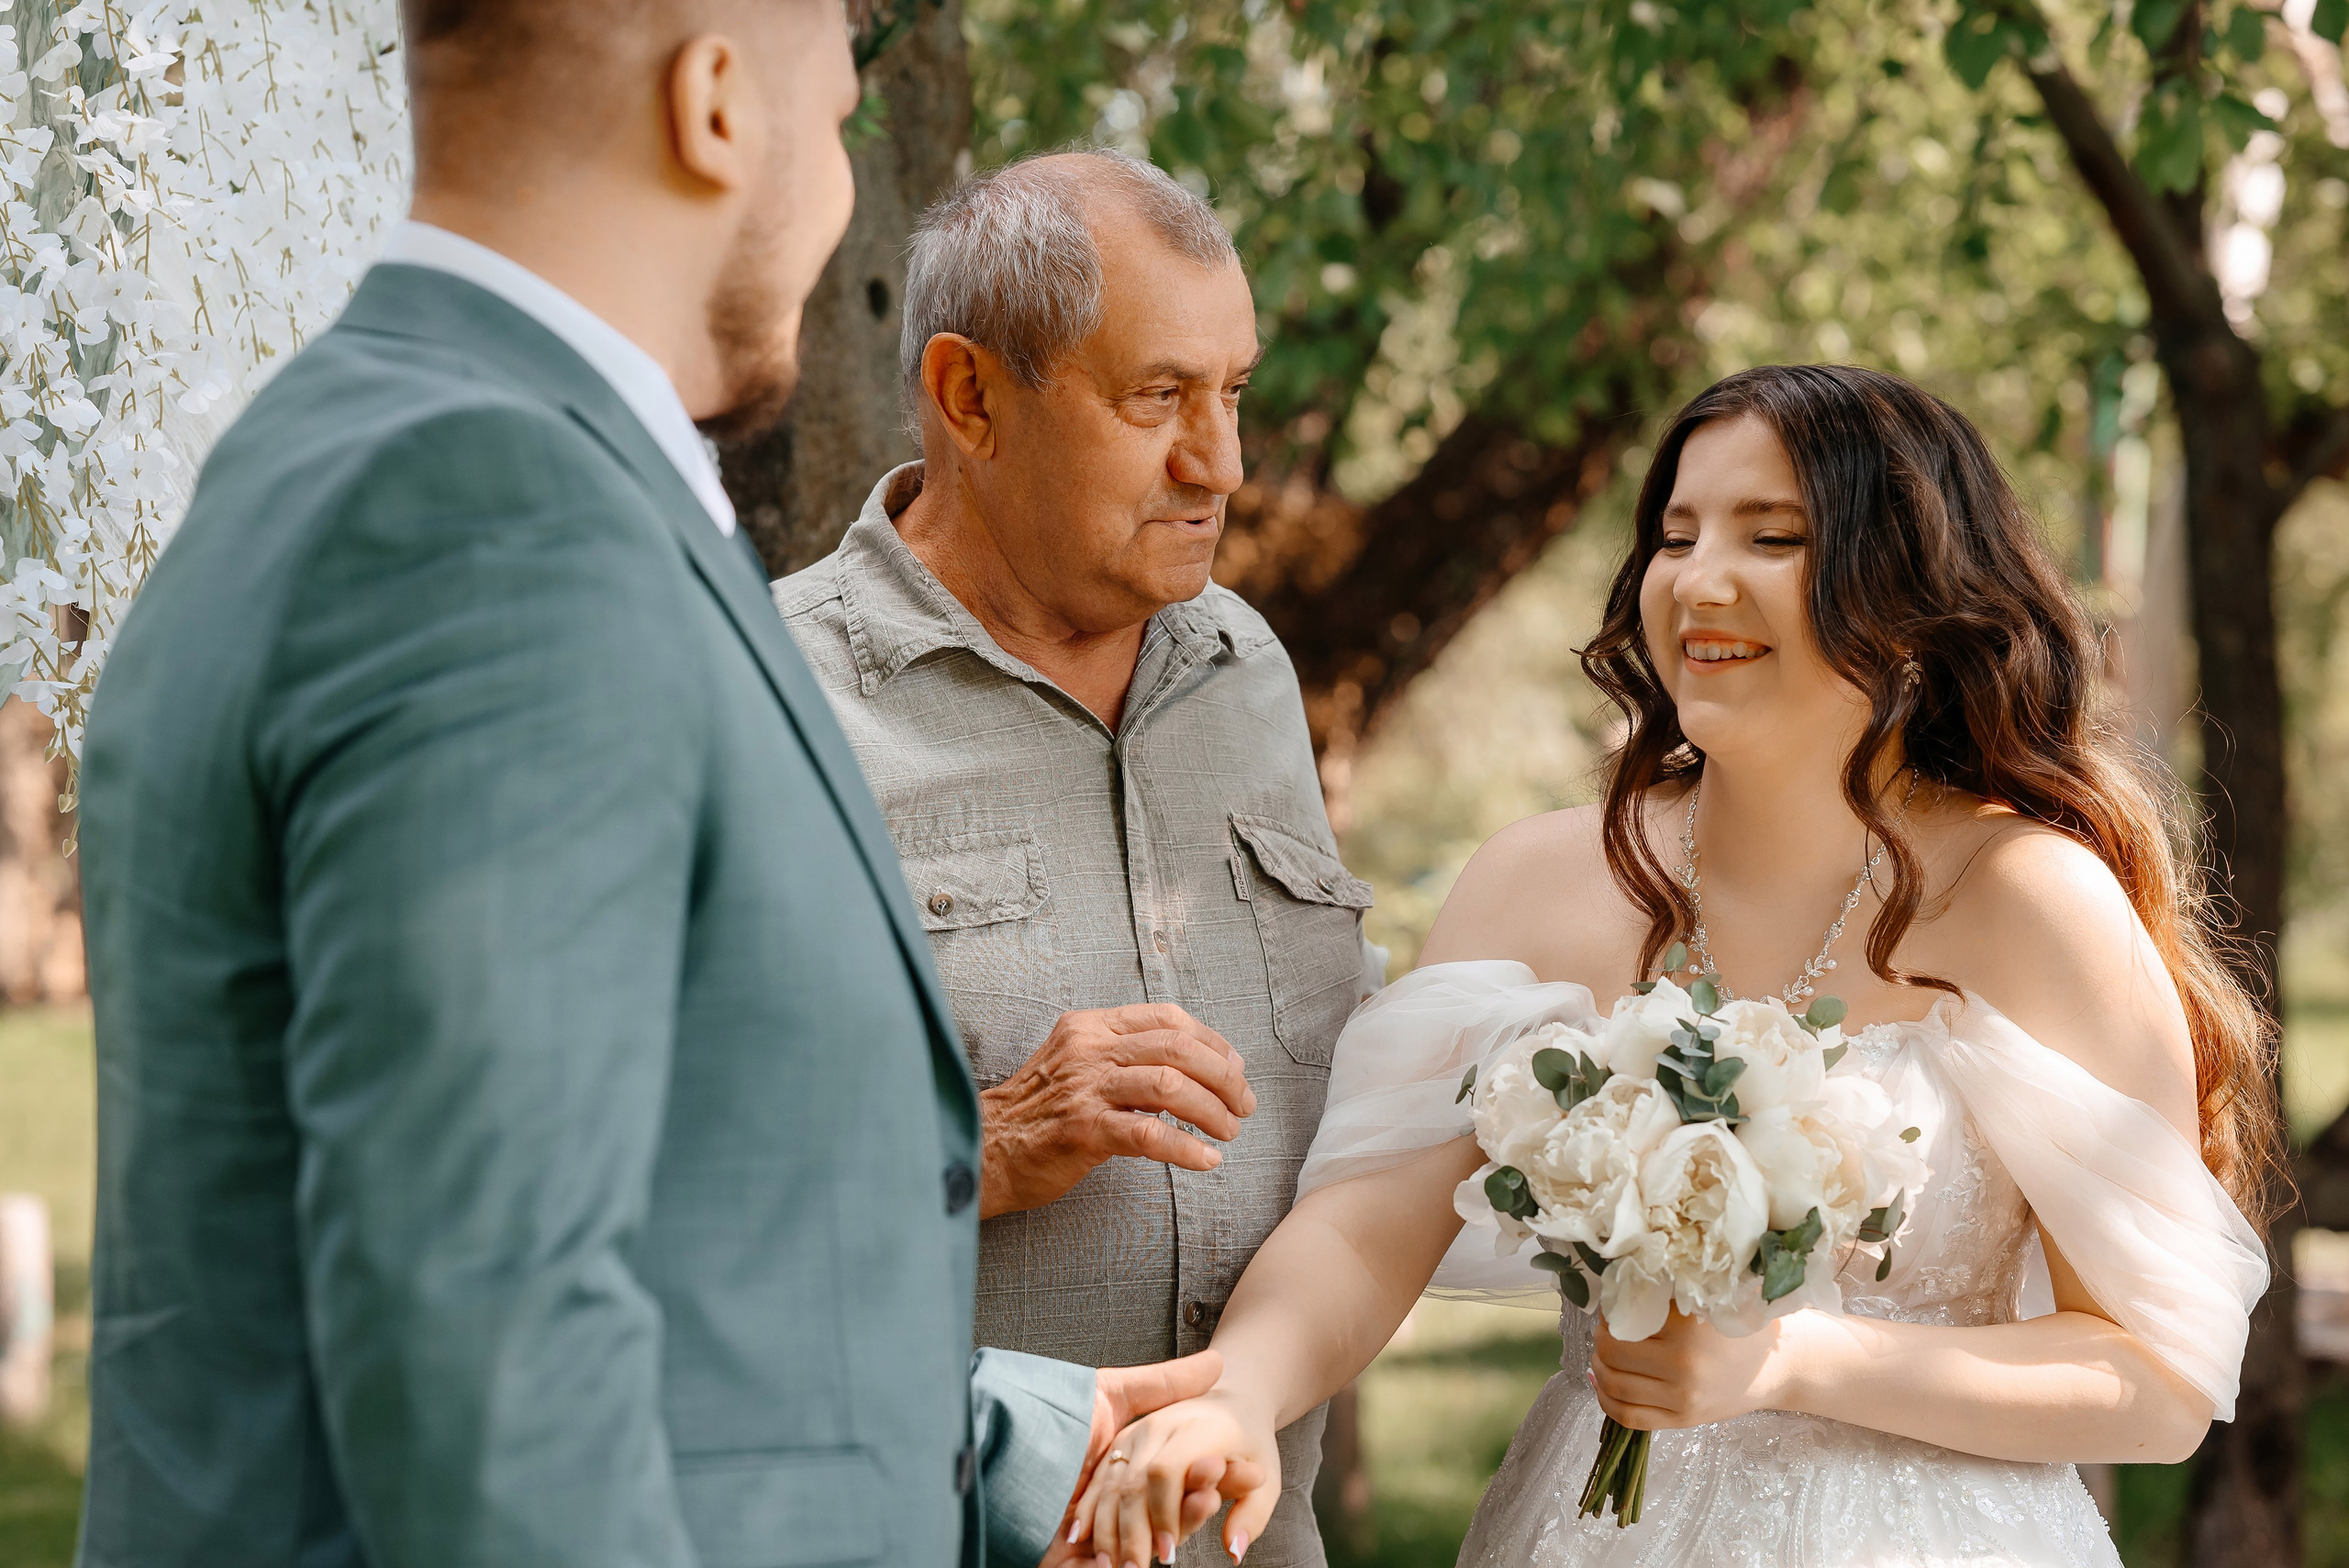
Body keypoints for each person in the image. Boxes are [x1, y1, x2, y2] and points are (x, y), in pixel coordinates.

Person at [71, 6, 1238, 1566]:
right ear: (711, 107)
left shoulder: (374, 455)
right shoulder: (489, 516)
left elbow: (646, 1231)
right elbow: (488, 1353)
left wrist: (1022, 1448)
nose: (834, 197)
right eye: (830, 126)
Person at [1063, 363, 2279, 1568]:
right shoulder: (1539, 882)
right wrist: (1240, 1392)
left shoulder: (2029, 898)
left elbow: (2157, 1376)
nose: (1700, 578)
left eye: (1774, 536)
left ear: (1908, 593)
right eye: (1676, 533)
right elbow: (1358, 1233)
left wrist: (1800, 1360)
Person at [777, 148, 1374, 1568]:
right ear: (971, 396)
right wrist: (977, 1144)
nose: (1220, 462)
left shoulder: (1248, 669)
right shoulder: (767, 703)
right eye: (1156, 397)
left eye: (1231, 392)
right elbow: (640, 1195)